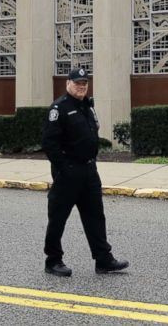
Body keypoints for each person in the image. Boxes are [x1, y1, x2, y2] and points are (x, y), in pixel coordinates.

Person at [41, 68, 128, 277]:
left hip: (89, 171)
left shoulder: (87, 106)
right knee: (58, 217)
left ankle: (103, 260)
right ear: (68, 84)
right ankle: (53, 260)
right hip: (68, 173)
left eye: (85, 83)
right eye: (77, 83)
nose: (82, 87)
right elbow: (49, 143)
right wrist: (64, 168)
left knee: (95, 216)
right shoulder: (59, 108)